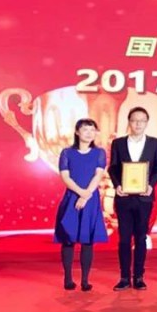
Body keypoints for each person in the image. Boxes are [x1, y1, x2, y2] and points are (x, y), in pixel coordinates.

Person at [108, 107, 157, 291]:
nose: (138, 124)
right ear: (129, 122)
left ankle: (139, 277)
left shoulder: (155, 143)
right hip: (124, 197)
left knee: (141, 237)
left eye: (142, 120)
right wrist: (117, 185)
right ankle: (124, 277)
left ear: (147, 123)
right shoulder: (118, 143)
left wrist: (151, 185)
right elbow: (113, 167)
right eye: (134, 120)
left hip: (144, 197)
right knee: (124, 238)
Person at [54, 118, 109, 291]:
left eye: (92, 130)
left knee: (87, 240)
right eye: (85, 129)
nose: (89, 133)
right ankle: (68, 279)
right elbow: (65, 177)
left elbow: (98, 175)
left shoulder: (99, 153)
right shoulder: (67, 153)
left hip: (90, 200)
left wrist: (86, 195)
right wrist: (80, 193)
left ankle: (85, 280)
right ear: (77, 132)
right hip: (71, 198)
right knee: (68, 240)